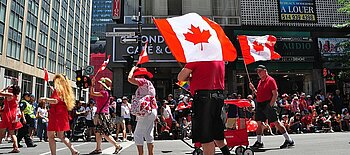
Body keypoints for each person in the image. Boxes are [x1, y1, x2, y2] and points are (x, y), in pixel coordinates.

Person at [178, 61, 231, 155]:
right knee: (217, 135)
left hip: (203, 98)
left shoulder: (198, 58)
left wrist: (191, 77)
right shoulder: (220, 60)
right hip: (218, 96)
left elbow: (180, 78)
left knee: (206, 138)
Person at [249, 65, 294, 149]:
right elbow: (258, 94)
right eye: (257, 71)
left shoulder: (270, 80)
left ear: (265, 71)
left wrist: (270, 105)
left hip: (268, 103)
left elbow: (275, 94)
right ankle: (259, 141)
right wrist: (253, 89)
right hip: (260, 104)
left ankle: (289, 140)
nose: (258, 73)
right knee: (258, 122)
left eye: (260, 71)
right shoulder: (260, 82)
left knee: (276, 122)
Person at [39, 74, 79, 155]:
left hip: (56, 114)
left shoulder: (58, 90)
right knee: (61, 136)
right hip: (62, 114)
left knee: (50, 136)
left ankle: (53, 154)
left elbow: (55, 101)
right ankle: (73, 150)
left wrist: (45, 99)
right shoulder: (65, 90)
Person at [128, 66, 158, 155]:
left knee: (138, 134)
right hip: (152, 110)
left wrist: (132, 69)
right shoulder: (149, 85)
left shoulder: (143, 81)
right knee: (149, 133)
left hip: (145, 111)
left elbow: (129, 79)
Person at [89, 77, 122, 154]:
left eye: (101, 84)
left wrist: (92, 85)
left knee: (105, 133)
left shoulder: (104, 92)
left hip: (102, 115)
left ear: (103, 86)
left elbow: (92, 93)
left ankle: (117, 146)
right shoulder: (106, 92)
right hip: (102, 114)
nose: (99, 85)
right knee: (98, 132)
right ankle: (98, 148)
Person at [0, 84, 22, 153]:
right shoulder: (16, 96)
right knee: (12, 132)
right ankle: (16, 147)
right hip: (14, 115)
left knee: (1, 131)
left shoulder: (10, 95)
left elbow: (0, 93)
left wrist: (5, 88)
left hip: (7, 114)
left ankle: (15, 147)